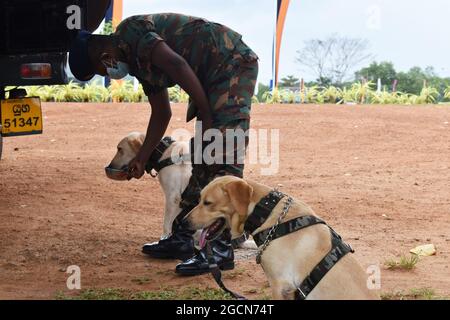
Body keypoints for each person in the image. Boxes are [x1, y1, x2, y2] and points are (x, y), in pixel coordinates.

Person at [69, 13, 258, 276]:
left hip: (230, 63)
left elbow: (177, 64)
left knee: (222, 153)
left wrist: (206, 113)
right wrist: (142, 157)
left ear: (103, 56)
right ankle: (184, 237)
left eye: (102, 71)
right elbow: (161, 113)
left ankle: (220, 250)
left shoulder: (131, 32)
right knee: (202, 155)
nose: (109, 75)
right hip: (208, 74)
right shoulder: (135, 62)